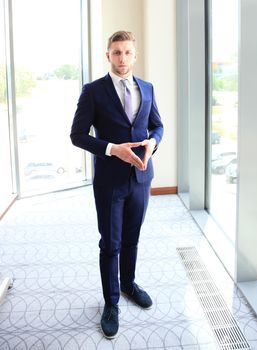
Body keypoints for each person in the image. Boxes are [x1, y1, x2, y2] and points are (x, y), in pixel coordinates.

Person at [70, 30, 163, 339]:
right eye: (116, 52)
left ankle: (128, 284)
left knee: (132, 238)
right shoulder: (93, 91)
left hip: (140, 178)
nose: (122, 58)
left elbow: (158, 126)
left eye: (127, 52)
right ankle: (111, 303)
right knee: (110, 244)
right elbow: (78, 135)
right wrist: (111, 148)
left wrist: (152, 142)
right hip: (109, 181)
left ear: (134, 55)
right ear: (107, 55)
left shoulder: (147, 88)